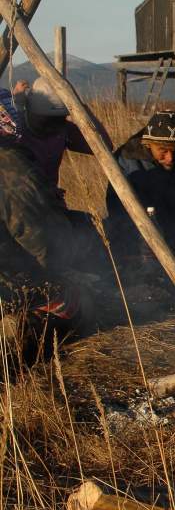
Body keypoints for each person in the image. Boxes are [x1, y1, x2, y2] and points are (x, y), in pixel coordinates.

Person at [0, 88, 101, 352]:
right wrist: (59, 270)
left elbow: (100, 144)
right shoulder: (11, 167)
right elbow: (38, 240)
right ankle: (19, 332)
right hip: (10, 278)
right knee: (79, 304)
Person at [104, 111, 175, 260]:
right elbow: (117, 207)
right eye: (163, 151)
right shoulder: (127, 160)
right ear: (148, 145)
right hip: (138, 236)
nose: (170, 158)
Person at [13, 77, 112, 193]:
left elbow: (104, 147)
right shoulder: (14, 130)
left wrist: (81, 108)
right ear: (31, 112)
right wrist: (18, 109)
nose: (52, 127)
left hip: (51, 203)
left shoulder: (63, 130)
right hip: (22, 202)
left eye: (58, 120)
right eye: (45, 120)